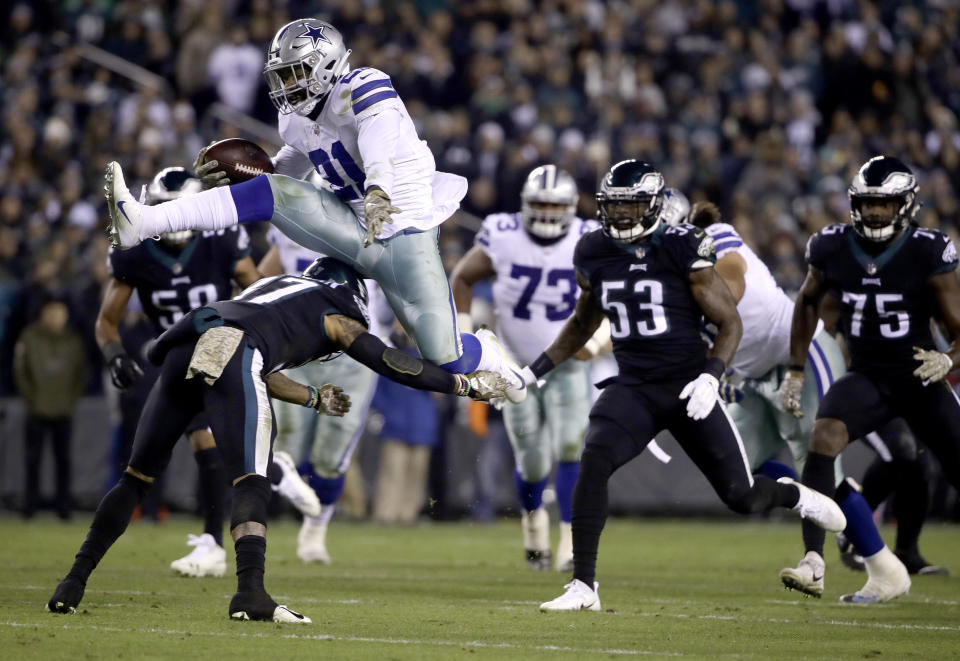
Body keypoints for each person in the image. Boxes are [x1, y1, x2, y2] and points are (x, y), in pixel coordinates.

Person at [47, 257, 506, 623]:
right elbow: (388, 361)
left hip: (192, 338)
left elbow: (251, 358)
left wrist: (311, 397)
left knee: (137, 476)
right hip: (236, 350)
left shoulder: (271, 288)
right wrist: (463, 386)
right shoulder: (335, 311)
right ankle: (250, 593)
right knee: (252, 480)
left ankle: (72, 581)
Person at [101, 17, 527, 403]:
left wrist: (378, 187)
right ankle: (145, 220)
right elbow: (287, 170)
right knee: (274, 192)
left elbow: (378, 134)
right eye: (281, 74)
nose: (286, 83)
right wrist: (245, 177)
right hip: (353, 227)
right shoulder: (296, 121)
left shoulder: (363, 84)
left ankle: (486, 350)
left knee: (445, 358)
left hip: (404, 234)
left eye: (294, 71)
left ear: (326, 65)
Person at [521, 160, 845, 612]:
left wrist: (711, 377)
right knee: (594, 459)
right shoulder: (594, 250)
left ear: (653, 206)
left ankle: (798, 496)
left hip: (687, 385)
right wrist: (534, 370)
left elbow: (729, 322)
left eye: (632, 206)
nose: (621, 216)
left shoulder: (682, 244)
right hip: (633, 386)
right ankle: (584, 586)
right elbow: (582, 322)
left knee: (742, 496)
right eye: (614, 206)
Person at [661, 188, 910, 602]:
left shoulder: (716, 238)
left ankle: (837, 563)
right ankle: (842, 514)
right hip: (750, 376)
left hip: (798, 352)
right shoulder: (658, 279)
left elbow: (733, 281)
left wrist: (685, 318)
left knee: (817, 457)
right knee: (738, 467)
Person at [97, 167, 319, 578]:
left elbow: (253, 289)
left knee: (206, 441)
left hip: (223, 348)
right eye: (165, 210)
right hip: (175, 357)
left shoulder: (219, 239)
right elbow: (106, 320)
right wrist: (114, 355)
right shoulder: (138, 250)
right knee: (204, 446)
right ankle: (271, 472)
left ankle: (213, 542)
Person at [778, 155, 960, 602]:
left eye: (886, 203)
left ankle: (902, 554)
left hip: (918, 373)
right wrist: (796, 370)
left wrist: (949, 359)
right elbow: (805, 302)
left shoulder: (927, 250)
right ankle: (813, 561)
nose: (876, 212)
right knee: (823, 438)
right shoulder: (831, 247)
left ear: (907, 205)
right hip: (868, 377)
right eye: (869, 202)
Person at [450, 164, 604, 571]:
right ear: (525, 205)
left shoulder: (587, 238)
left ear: (571, 207)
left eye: (556, 206)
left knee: (572, 445)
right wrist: (466, 339)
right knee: (532, 459)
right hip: (514, 365)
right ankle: (534, 527)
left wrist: (599, 340)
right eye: (540, 205)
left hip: (567, 364)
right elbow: (462, 278)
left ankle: (571, 542)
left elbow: (613, 293)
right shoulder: (503, 234)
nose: (549, 214)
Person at [257, 226, 384, 563]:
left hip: (354, 355)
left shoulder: (368, 230)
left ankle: (315, 531)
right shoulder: (289, 228)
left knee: (333, 452)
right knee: (287, 446)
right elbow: (260, 279)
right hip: (302, 349)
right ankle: (256, 528)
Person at [14, 294, 87, 519]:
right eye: (52, 312)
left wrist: (70, 400)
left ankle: (63, 508)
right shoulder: (29, 336)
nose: (56, 317)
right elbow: (20, 371)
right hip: (37, 408)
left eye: (60, 312)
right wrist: (31, 399)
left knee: (63, 461)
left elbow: (81, 374)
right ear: (43, 313)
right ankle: (30, 506)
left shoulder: (74, 340)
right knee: (33, 460)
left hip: (64, 409)